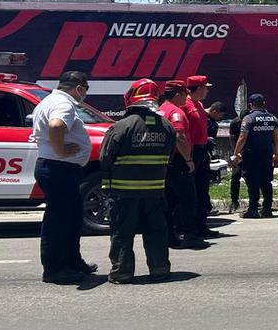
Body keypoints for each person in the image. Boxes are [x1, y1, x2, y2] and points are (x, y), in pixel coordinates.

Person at [100, 79, 176, 284]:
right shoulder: (167, 126)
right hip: (155, 193)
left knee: (122, 234)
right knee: (156, 232)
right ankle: (160, 269)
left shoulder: (121, 126)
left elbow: (105, 157)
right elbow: (171, 156)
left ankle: (122, 272)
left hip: (124, 193)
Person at [30, 71, 96, 284]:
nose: (84, 94)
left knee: (72, 219)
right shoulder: (64, 104)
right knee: (59, 222)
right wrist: (61, 151)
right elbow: (56, 126)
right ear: (79, 88)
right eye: (85, 89)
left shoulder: (48, 101)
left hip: (60, 168)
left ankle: (72, 262)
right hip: (60, 168)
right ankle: (56, 269)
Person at [159, 81, 207, 250]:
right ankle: (190, 235)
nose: (186, 97)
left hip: (165, 161)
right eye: (184, 94)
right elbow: (180, 136)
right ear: (178, 94)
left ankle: (169, 235)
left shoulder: (161, 110)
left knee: (170, 199)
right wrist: (188, 159)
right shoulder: (175, 112)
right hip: (178, 161)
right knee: (188, 199)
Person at [233, 93, 278, 218]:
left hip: (251, 155)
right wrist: (276, 154)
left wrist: (236, 153)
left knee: (252, 182)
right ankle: (267, 208)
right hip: (267, 155)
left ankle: (253, 209)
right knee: (266, 181)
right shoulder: (273, 118)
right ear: (264, 103)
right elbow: (276, 138)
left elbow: (242, 137)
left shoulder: (248, 119)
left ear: (250, 105)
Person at [184, 75, 216, 235]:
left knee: (203, 190)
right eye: (205, 87)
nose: (208, 90)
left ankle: (202, 226)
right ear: (199, 88)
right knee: (192, 191)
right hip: (192, 151)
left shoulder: (199, 104)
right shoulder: (185, 105)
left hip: (203, 151)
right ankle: (190, 228)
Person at [227, 108, 249, 214]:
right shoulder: (235, 123)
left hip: (249, 152)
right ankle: (234, 200)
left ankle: (254, 200)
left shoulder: (251, 122)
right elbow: (232, 137)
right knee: (235, 176)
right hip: (238, 152)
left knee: (250, 178)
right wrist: (236, 153)